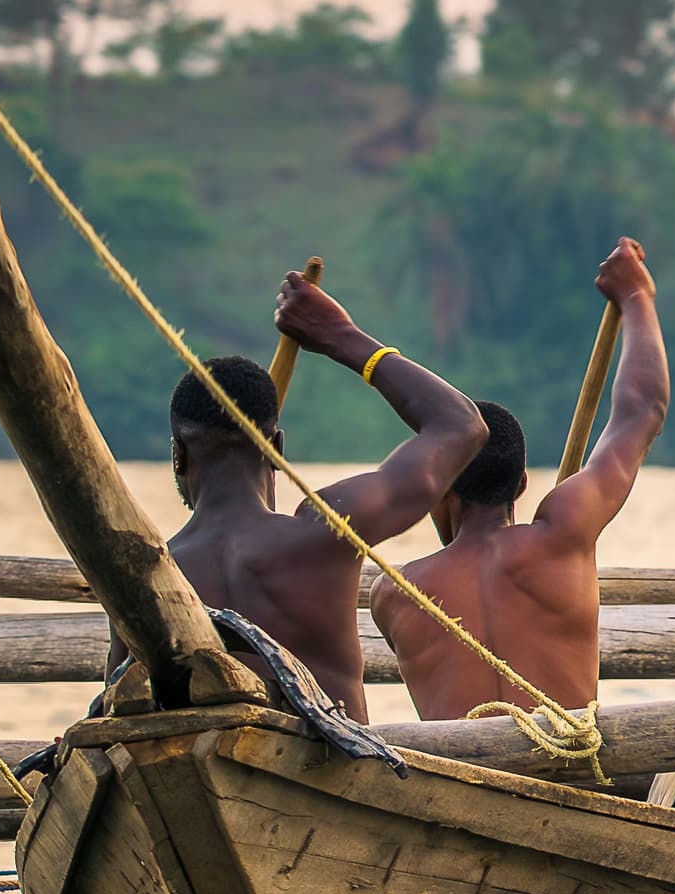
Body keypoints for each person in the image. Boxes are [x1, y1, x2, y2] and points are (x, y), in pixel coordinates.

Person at [372, 238, 671, 726]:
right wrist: (637, 297)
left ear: (436, 490)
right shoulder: (564, 536)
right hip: (576, 784)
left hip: (457, 792)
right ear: (523, 484)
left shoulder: (395, 592)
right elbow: (643, 411)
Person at [166, 268, 485, 717]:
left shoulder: (156, 572)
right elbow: (461, 425)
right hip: (335, 781)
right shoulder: (324, 531)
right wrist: (340, 336)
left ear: (178, 454)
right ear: (276, 448)